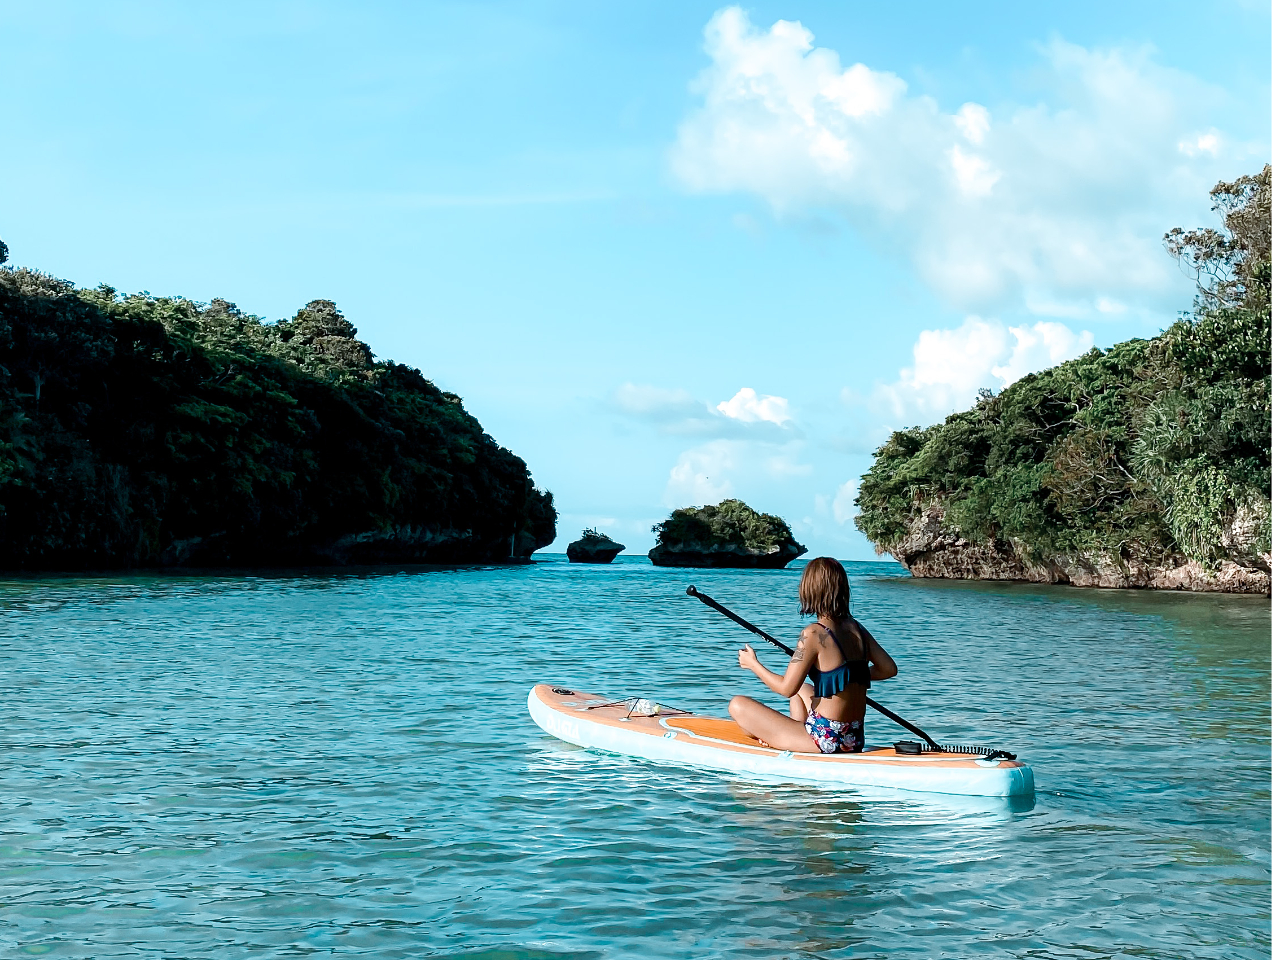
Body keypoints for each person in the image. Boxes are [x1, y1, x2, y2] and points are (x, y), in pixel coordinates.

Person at [728, 557, 897, 753]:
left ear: (810, 591)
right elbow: (888, 669)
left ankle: (781, 738)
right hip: (854, 737)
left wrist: (753, 664)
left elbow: (786, 689)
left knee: (737, 705)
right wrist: (850, 677)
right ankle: (791, 736)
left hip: (825, 741)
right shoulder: (856, 628)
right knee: (802, 689)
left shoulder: (813, 633)